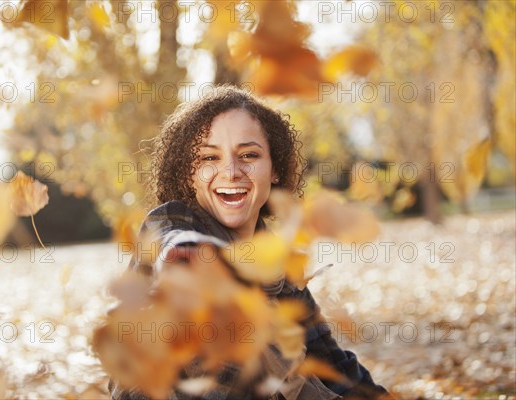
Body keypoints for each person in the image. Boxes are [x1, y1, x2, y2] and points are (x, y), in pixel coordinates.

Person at [114, 85, 389, 399]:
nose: (231, 172)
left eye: (249, 155)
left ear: (274, 169)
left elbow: (332, 362)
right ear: (188, 173)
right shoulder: (173, 219)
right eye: (208, 157)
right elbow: (171, 240)